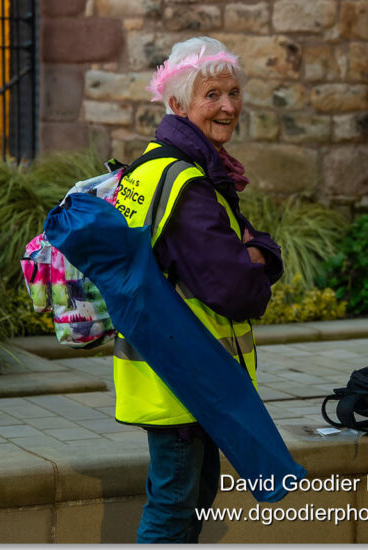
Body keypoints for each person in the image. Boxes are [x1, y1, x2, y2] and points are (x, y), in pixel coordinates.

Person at [113, 36, 283, 543]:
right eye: (212, 95)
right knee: (173, 509)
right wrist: (259, 257)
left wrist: (256, 251)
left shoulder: (158, 165)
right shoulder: (187, 182)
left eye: (233, 92)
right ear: (177, 103)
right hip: (186, 373)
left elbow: (243, 252)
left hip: (177, 369)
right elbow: (236, 289)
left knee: (189, 503)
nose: (228, 106)